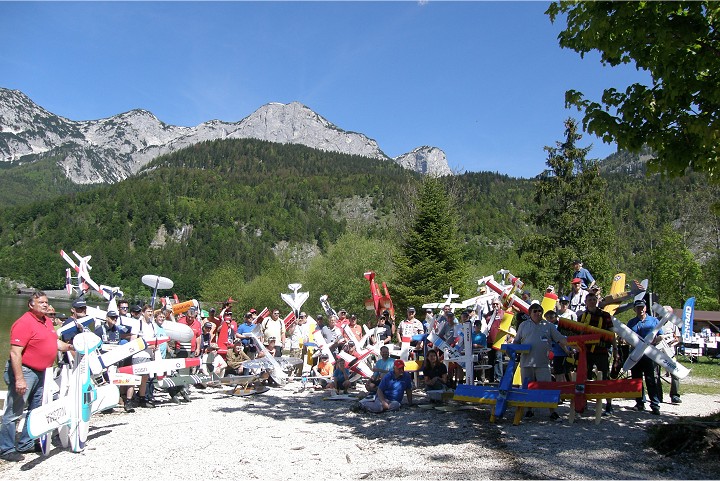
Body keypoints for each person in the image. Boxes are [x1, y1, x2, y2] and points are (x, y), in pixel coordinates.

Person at [1, 291, 74, 462]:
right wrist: (19, 378)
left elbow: (54, 343)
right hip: (25, 371)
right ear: (30, 304)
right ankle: (5, 448)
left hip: (42, 372)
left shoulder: (47, 321)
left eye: (46, 302)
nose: (45, 304)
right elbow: (15, 353)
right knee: (14, 411)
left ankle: (26, 443)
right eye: (40, 302)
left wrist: (71, 347)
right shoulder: (24, 323)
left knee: (36, 410)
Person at [513, 302, 574, 420]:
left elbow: (560, 339)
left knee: (547, 388)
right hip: (526, 363)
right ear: (529, 313)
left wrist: (574, 346)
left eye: (539, 311)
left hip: (543, 363)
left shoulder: (548, 325)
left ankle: (552, 411)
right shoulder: (523, 325)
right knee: (528, 387)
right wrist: (513, 350)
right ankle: (529, 410)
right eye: (534, 311)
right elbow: (516, 341)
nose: (537, 313)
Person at [577, 291, 617, 414]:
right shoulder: (581, 317)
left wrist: (615, 349)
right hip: (586, 352)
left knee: (605, 377)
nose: (592, 302)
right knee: (584, 377)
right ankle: (584, 403)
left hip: (602, 350)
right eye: (590, 300)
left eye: (594, 299)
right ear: (586, 302)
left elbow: (611, 333)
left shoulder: (605, 315)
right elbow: (577, 334)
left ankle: (609, 405)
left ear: (597, 301)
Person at [627, 299, 663, 415]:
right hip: (635, 354)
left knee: (650, 379)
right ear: (634, 309)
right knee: (636, 379)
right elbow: (627, 338)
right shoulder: (631, 322)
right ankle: (640, 403)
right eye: (638, 307)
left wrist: (653, 341)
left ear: (645, 308)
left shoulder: (654, 321)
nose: (640, 309)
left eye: (642, 307)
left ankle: (655, 404)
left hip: (649, 354)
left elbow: (661, 336)